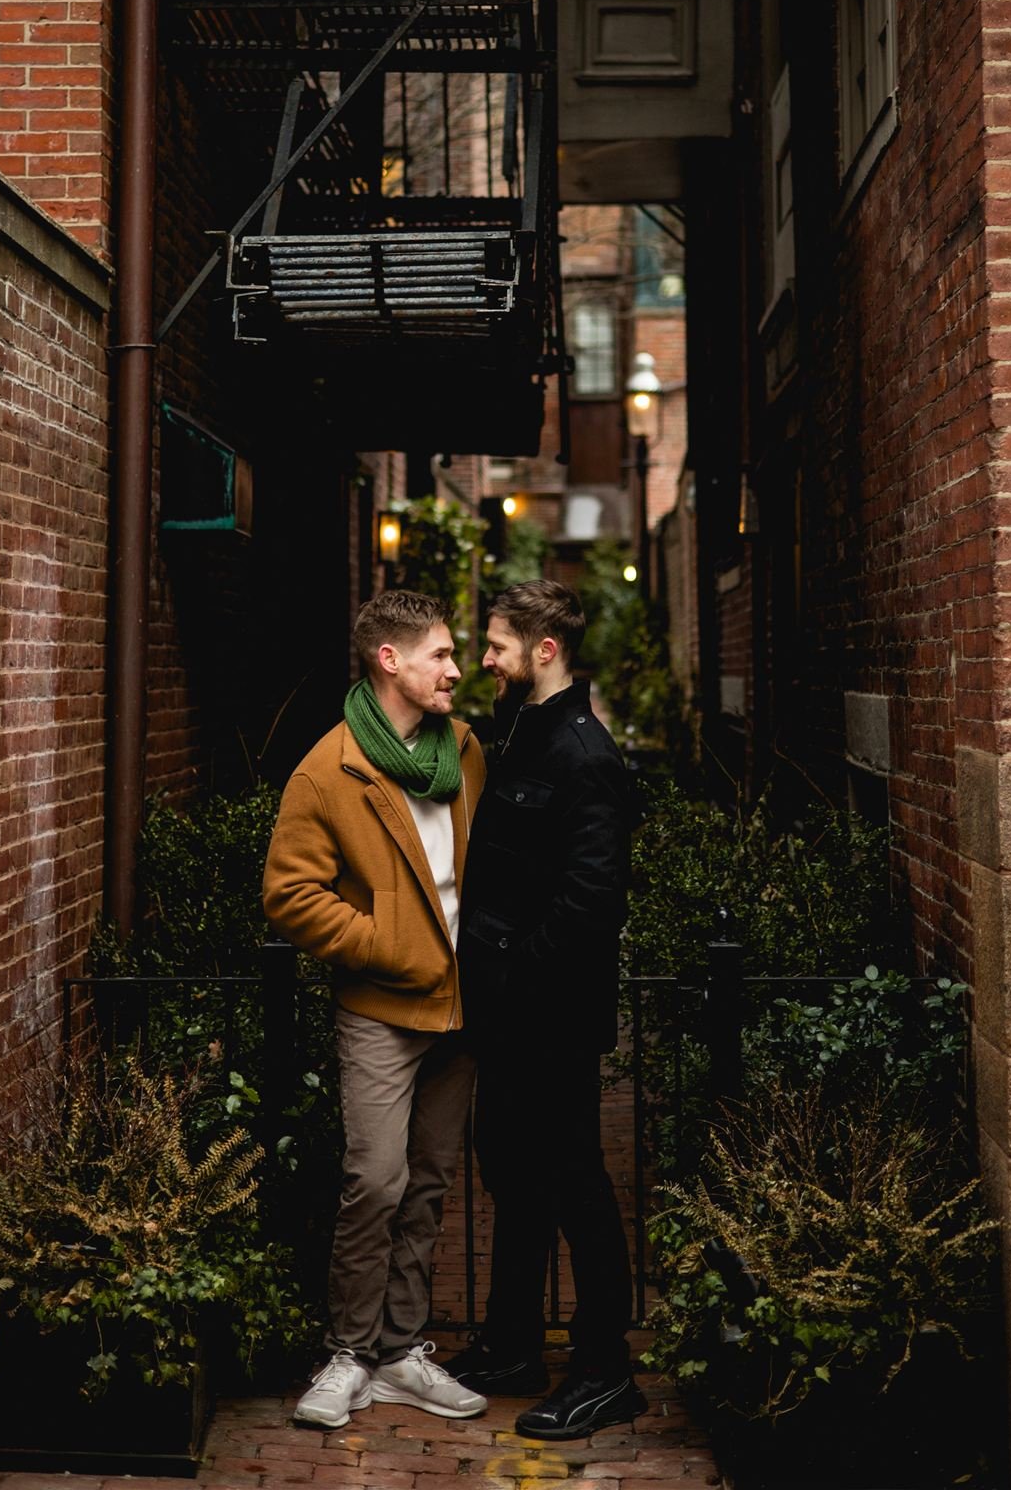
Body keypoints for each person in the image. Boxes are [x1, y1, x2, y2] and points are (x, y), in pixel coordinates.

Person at [262, 590, 489, 1431]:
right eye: (440, 654)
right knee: (375, 1181)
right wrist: (389, 945)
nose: (457, 670)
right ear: (389, 660)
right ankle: (348, 1353)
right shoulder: (330, 769)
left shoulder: (463, 751)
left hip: (461, 1007)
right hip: (380, 1010)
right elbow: (289, 896)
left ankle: (400, 1354)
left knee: (428, 1185)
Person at [447, 579, 644, 1441]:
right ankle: (513, 1345)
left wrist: (512, 973)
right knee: (510, 1174)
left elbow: (588, 904)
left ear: (545, 650)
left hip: (551, 1016)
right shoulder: (517, 735)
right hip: (503, 1012)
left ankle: (605, 1369)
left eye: (495, 645)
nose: (484, 658)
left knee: (574, 1182)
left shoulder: (584, 755)